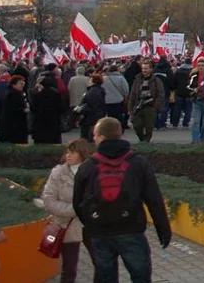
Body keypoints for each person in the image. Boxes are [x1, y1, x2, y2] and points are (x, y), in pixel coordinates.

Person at [73, 117, 172, 283]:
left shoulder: (88, 166)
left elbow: (77, 202)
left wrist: (91, 224)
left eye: (95, 135)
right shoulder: (138, 163)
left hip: (100, 231)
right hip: (131, 228)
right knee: (140, 275)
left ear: (102, 137)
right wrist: (163, 229)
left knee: (105, 276)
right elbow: (154, 199)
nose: (94, 138)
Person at [42, 139, 94, 283]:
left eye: (73, 152)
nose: (68, 155)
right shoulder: (58, 173)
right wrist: (74, 210)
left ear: (82, 154)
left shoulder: (92, 171)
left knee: (102, 263)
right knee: (69, 269)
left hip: (91, 225)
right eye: (67, 152)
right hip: (67, 225)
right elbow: (48, 200)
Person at [126, 62, 165, 143]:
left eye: (146, 68)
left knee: (149, 127)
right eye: (143, 68)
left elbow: (160, 94)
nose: (144, 70)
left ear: (151, 69)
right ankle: (142, 139)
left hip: (150, 106)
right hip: (138, 105)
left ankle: (146, 141)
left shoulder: (156, 80)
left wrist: (155, 106)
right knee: (136, 125)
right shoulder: (137, 80)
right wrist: (130, 108)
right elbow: (132, 94)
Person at [31, 73, 64, 144]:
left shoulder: (37, 95)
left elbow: (33, 108)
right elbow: (61, 108)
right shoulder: (56, 94)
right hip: (53, 121)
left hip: (40, 121)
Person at [78, 74, 108, 140]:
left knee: (89, 136)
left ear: (93, 81)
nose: (88, 81)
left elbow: (92, 105)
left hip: (91, 117)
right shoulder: (98, 90)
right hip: (96, 115)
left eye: (90, 80)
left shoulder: (93, 91)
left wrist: (82, 109)